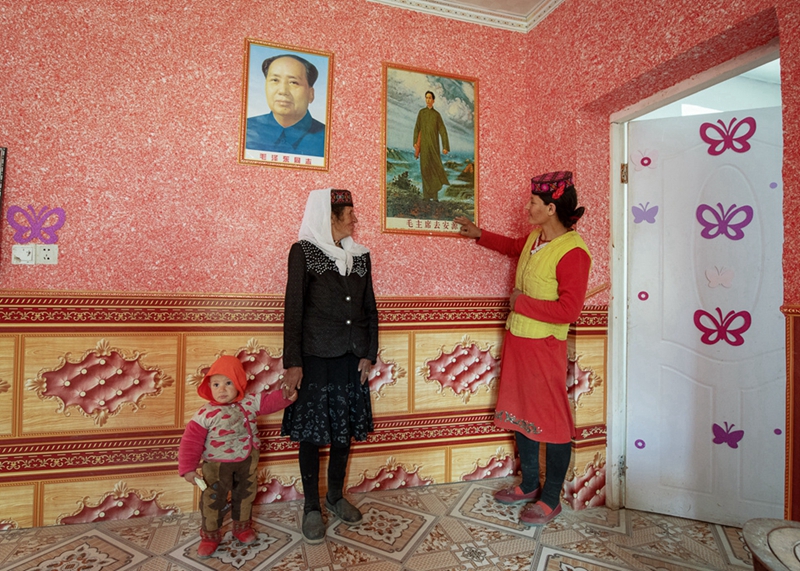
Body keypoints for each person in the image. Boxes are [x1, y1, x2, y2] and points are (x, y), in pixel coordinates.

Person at [454, 171, 591, 525]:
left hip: (545, 347)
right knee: (521, 413)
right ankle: (529, 485)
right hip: (518, 339)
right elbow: (513, 247)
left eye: (532, 203)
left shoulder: (574, 252)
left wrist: (521, 303)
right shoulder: (535, 238)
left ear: (551, 208)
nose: (527, 208)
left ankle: (551, 499)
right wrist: (479, 234)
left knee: (554, 424)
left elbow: (569, 311)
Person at [281, 188, 379, 544]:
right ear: (330, 217)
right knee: (312, 434)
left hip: (351, 357)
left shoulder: (360, 256)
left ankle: (335, 496)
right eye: (349, 214)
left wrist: (369, 352)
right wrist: (293, 363)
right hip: (315, 358)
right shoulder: (303, 252)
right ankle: (311, 507)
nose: (355, 219)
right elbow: (293, 308)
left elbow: (369, 307)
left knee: (343, 430)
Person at [178, 355, 297, 558]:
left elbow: (269, 402)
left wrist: (287, 396)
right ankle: (210, 536)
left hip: (247, 462)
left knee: (245, 495)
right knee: (213, 499)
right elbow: (190, 442)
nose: (222, 389)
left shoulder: (250, 402)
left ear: (240, 383)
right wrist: (188, 469)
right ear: (209, 386)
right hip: (217, 466)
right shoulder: (205, 414)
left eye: (228, 383)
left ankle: (242, 527)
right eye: (216, 384)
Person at [246, 54, 325, 157]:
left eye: (293, 82)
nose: (283, 91)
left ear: (311, 94)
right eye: (275, 80)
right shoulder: (245, 129)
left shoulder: (328, 138)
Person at [413, 91, 450, 201]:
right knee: (424, 169)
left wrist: (445, 146)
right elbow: (417, 128)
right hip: (424, 147)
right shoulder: (421, 113)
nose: (428, 100)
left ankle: (434, 197)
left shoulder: (437, 115)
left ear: (433, 100)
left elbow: (443, 130)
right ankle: (426, 196)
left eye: (430, 98)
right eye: (426, 98)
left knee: (434, 170)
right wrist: (415, 142)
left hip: (434, 146)